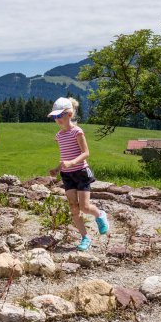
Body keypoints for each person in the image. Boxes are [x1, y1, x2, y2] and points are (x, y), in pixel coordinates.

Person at [47, 97, 108, 251]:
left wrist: (73, 163)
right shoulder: (59, 136)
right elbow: (64, 158)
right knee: (74, 208)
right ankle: (85, 237)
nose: (57, 120)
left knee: (85, 206)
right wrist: (56, 169)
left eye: (59, 116)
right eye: (54, 117)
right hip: (67, 175)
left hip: (81, 172)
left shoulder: (77, 132)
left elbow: (86, 153)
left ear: (69, 114)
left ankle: (100, 214)